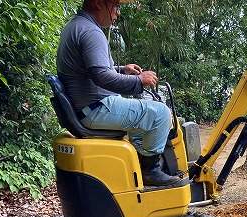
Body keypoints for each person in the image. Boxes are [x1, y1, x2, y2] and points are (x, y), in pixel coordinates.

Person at [56, 0, 186, 187]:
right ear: (99, 3)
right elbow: (101, 76)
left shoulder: (74, 26)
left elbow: (91, 71)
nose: (118, 12)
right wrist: (139, 81)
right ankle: (151, 171)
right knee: (161, 113)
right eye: (116, 5)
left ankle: (141, 165)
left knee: (146, 119)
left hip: (87, 107)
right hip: (97, 108)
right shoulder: (91, 32)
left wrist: (121, 69)